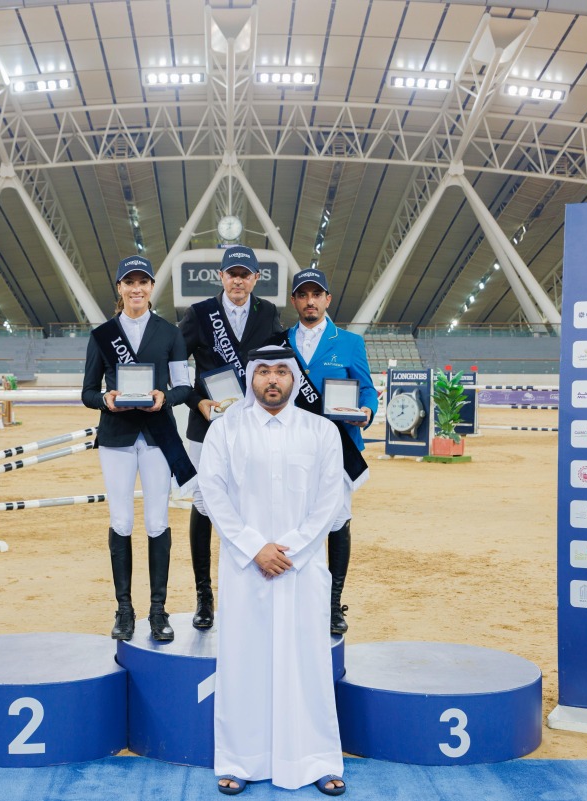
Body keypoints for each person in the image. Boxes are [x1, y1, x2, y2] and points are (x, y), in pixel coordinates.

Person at [198, 346, 347, 796]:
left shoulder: (322, 431)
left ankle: (317, 758)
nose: (273, 380)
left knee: (309, 665)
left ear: (295, 379)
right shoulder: (226, 430)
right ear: (251, 380)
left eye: (282, 371)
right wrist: (255, 548)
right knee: (244, 663)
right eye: (263, 372)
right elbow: (213, 493)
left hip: (302, 571)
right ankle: (240, 760)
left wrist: (293, 552)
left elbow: (330, 502)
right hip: (247, 570)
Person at [81, 255, 196, 643]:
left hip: (158, 437)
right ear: (119, 288)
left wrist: (165, 397)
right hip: (116, 436)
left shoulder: (169, 333)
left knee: (157, 521)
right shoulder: (102, 335)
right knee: (122, 522)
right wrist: (105, 399)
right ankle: (124, 610)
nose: (136, 289)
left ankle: (158, 611)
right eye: (129, 282)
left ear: (151, 288)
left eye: (143, 282)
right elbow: (86, 391)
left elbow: (184, 387)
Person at [178, 244, 284, 630]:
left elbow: (278, 366)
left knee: (250, 504)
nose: (238, 280)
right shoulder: (200, 314)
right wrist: (198, 402)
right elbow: (176, 367)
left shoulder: (269, 313)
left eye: (245, 274)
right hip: (207, 425)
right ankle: (204, 597)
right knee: (205, 505)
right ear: (221, 277)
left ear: (256, 278)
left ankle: (246, 595)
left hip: (252, 426)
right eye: (231, 273)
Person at [285, 268, 377, 636]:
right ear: (294, 300)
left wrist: (367, 411)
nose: (310, 301)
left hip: (338, 446)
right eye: (302, 294)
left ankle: (333, 603)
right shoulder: (281, 341)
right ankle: (296, 597)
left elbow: (367, 389)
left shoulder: (351, 342)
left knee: (337, 521)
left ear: (327, 299)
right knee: (294, 519)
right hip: (291, 446)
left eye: (316, 294)